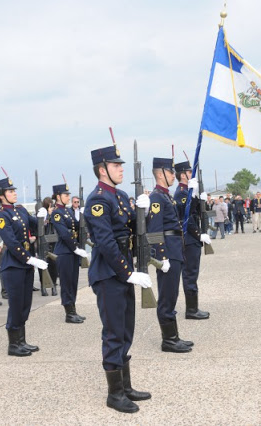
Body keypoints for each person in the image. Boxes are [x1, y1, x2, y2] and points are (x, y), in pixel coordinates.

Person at [84, 145, 152, 413]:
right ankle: (114, 394)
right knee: (113, 333)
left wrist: (143, 213)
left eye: (121, 165)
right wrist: (128, 272)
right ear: (102, 170)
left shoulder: (121, 196)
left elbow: (131, 231)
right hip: (109, 274)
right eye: (116, 165)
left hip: (123, 273)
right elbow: (106, 242)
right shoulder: (98, 200)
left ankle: (125, 386)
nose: (121, 168)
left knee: (126, 329)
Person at [0, 176, 48, 357]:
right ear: (1, 196)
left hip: (25, 264)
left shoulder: (21, 210)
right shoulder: (2, 215)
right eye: (10, 191)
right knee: (16, 305)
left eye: (14, 190)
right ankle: (13, 344)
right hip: (14, 264)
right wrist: (29, 258)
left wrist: (42, 217)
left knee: (25, 304)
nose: (14, 193)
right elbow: (11, 242)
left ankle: (21, 341)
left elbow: (36, 226)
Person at [148, 157, 194, 354]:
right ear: (160, 174)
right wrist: (162, 257)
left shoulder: (166, 196)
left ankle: (173, 336)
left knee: (172, 295)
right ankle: (168, 340)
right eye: (170, 172)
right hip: (168, 252)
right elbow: (155, 229)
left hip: (175, 249)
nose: (173, 176)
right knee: (167, 297)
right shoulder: (157, 197)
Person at [173, 161, 211, 320]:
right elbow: (186, 217)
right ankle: (191, 310)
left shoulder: (187, 192)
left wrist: (198, 198)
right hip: (188, 238)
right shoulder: (181, 192)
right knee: (190, 274)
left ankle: (193, 307)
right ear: (183, 175)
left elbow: (196, 212)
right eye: (190, 172)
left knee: (192, 273)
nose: (192, 175)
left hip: (192, 237)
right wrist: (198, 234)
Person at [51, 182, 90, 323]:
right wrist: (75, 248)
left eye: (68, 194)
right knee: (67, 283)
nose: (68, 197)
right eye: (65, 195)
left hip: (72, 252)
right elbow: (64, 233)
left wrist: (84, 216)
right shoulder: (56, 213)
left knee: (73, 282)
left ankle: (73, 310)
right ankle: (69, 313)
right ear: (58, 196)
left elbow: (77, 227)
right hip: (65, 252)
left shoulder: (67, 211)